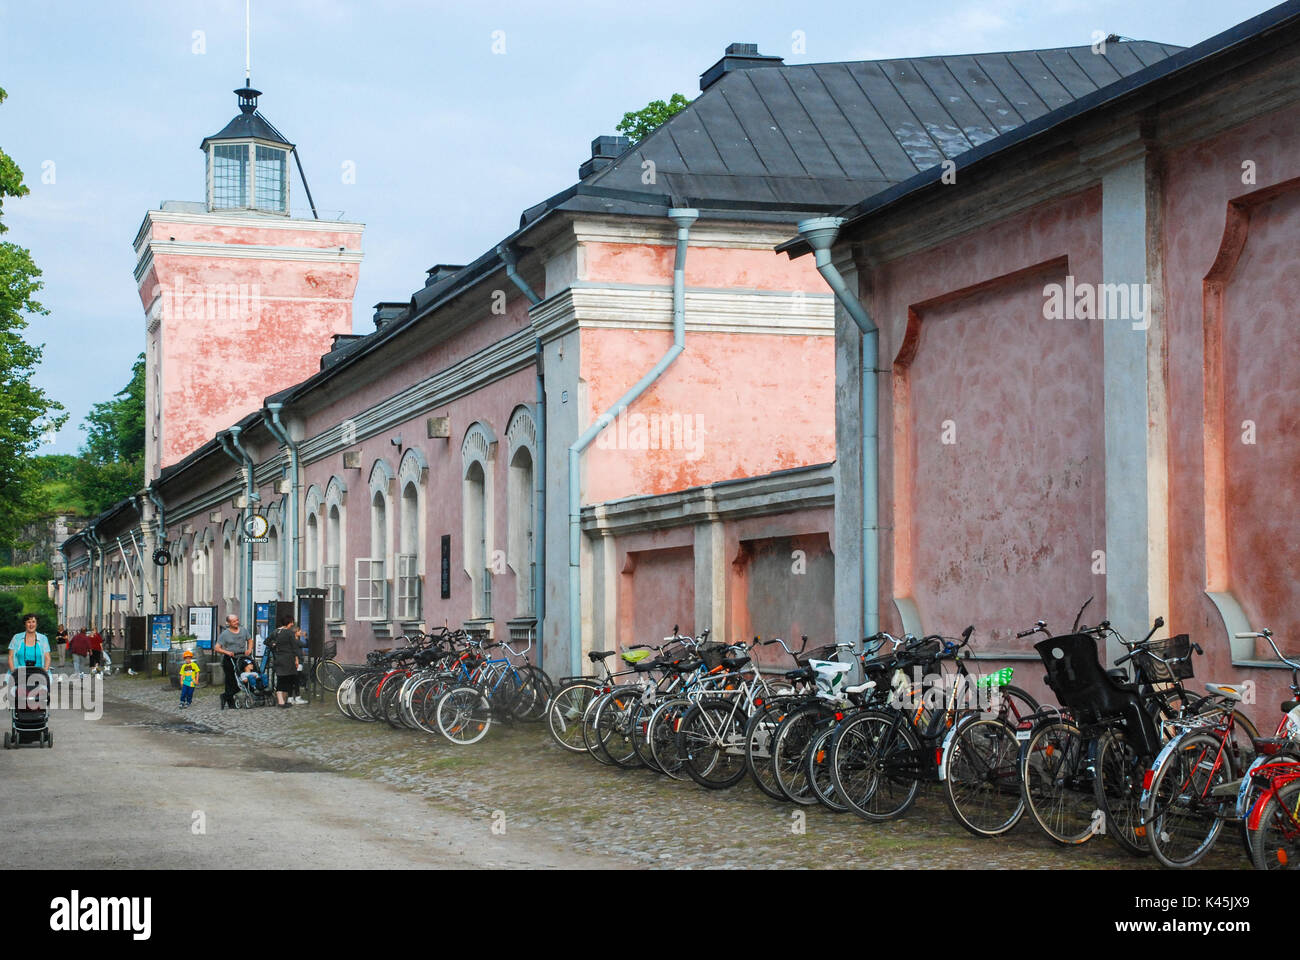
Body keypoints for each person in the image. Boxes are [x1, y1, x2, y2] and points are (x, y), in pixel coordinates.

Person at [214, 614, 251, 711]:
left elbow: (250, 640)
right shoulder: (225, 634)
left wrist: (249, 649)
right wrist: (227, 652)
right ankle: (230, 701)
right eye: (234, 621)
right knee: (231, 682)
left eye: (237, 620)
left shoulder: (243, 630)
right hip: (230, 659)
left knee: (242, 679)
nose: (236, 622)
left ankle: (225, 696)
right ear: (229, 623)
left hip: (242, 657)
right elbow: (217, 648)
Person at [269, 613, 302, 708]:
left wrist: (274, 645)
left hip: (279, 659)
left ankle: (282, 700)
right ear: (289, 622)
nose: (292, 624)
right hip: (288, 659)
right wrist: (297, 659)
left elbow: (267, 641)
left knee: (282, 679)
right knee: (285, 680)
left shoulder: (276, 632)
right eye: (292, 622)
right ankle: (281, 702)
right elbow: (294, 647)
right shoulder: (289, 633)